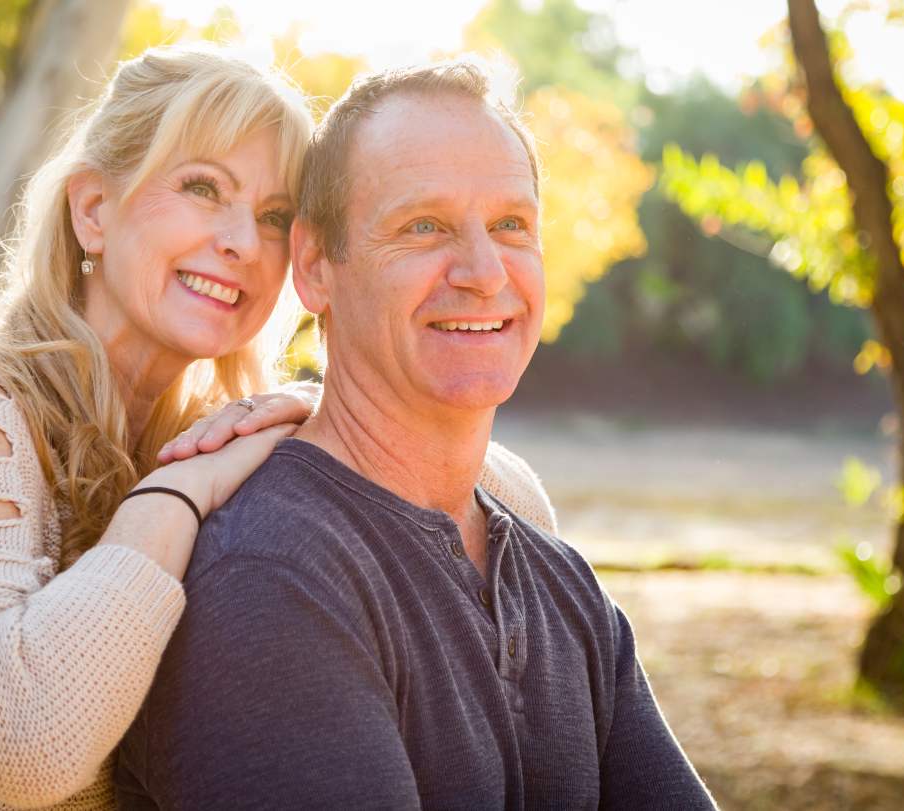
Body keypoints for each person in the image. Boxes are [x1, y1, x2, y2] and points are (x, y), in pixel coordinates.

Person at [0, 46, 557, 810]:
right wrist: (172, 494)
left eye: (274, 217)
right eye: (204, 188)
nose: (242, 241)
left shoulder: (230, 437)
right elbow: (18, 744)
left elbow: (488, 495)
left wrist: (372, 438)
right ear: (94, 211)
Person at [116, 59, 716, 810]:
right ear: (314, 266)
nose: (483, 270)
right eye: (423, 226)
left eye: (510, 225)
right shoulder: (270, 575)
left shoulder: (564, 588)